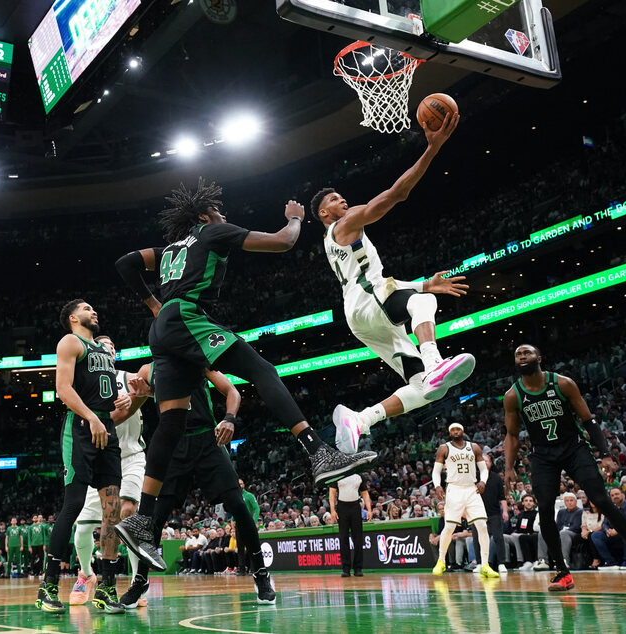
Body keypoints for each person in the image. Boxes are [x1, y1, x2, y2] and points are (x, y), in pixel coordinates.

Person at [113, 181, 376, 571]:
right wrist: (294, 218)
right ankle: (316, 450)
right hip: (186, 316)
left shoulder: (169, 249)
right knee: (261, 370)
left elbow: (125, 264)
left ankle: (141, 520)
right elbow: (283, 242)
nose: (224, 217)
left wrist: (154, 303)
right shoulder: (212, 231)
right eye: (218, 212)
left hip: (164, 328)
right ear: (204, 217)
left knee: (171, 419)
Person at [311, 117, 475, 455]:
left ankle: (361, 419)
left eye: (343, 197)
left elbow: (376, 281)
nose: (343, 201)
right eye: (335, 200)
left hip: (361, 316)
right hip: (369, 304)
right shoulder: (344, 224)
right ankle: (434, 361)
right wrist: (432, 148)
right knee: (422, 304)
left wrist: (423, 283)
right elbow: (397, 194)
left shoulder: (338, 241)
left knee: (429, 390)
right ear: (325, 214)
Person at [504, 344, 626, 591]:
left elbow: (588, 420)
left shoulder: (563, 383)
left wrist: (606, 454)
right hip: (543, 455)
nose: (522, 356)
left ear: (539, 358)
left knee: (602, 500)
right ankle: (561, 572)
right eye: (518, 354)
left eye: (527, 353)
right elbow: (512, 436)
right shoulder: (513, 396)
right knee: (544, 508)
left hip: (574, 448)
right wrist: (509, 467)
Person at [117, 362, 276, 606]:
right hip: (173, 443)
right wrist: (140, 395)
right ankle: (141, 579)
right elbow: (142, 402)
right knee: (155, 517)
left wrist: (230, 419)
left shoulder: (195, 358)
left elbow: (232, 391)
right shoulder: (147, 371)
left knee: (238, 504)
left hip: (206, 439)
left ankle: (261, 573)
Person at [34, 300, 128, 614]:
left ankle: (107, 587)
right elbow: (63, 389)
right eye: (87, 308)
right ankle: (47, 586)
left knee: (112, 510)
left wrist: (128, 399)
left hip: (107, 426)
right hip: (81, 428)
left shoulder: (104, 350)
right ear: (74, 317)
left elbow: (110, 397)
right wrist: (92, 417)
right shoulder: (70, 342)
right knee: (73, 505)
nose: (95, 310)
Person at [69, 335, 147, 609]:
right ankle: (87, 575)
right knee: (81, 529)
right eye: (103, 345)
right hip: (101, 459)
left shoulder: (131, 377)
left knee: (128, 512)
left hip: (131, 457)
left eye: (113, 345)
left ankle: (138, 581)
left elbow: (152, 389)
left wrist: (141, 394)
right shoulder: (87, 385)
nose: (109, 348)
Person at [430, 422, 499, 578]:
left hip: (471, 488)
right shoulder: (444, 448)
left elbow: (483, 469)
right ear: (449, 433)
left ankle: (485, 564)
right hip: (454, 488)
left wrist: (483, 481)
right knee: (449, 526)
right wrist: (437, 485)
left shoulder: (474, 447)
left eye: (458, 429)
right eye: (452, 429)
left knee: (481, 525)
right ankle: (441, 560)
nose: (455, 431)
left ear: (463, 430)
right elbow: (436, 471)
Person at [591, 488, 626, 570]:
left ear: (623, 495)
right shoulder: (611, 509)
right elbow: (604, 524)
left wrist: (618, 530)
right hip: (617, 535)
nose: (615, 496)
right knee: (596, 535)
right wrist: (608, 530)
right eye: (612, 495)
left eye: (617, 494)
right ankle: (610, 562)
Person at [329, 473, 372, 577]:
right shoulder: (337, 474)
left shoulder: (359, 475)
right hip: (342, 507)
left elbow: (365, 494)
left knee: (358, 538)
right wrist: (332, 510)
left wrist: (369, 510)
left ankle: (358, 568)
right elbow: (332, 493)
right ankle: (346, 568)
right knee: (343, 538)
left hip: (355, 506)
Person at [534, 492, 583, 570]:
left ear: (576, 502)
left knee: (563, 533)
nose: (569, 503)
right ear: (564, 502)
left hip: (573, 533)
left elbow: (576, 527)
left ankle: (564, 561)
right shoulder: (561, 511)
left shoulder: (580, 511)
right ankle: (543, 561)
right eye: (567, 501)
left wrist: (560, 532)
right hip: (561, 532)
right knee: (543, 532)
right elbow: (558, 526)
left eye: (571, 500)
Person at [480, 454, 509, 572]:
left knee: (498, 537)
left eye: (487, 461)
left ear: (491, 463)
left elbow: (502, 497)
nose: (485, 462)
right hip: (478, 514)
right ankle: (480, 563)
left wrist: (505, 511)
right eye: (482, 460)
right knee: (479, 539)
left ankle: (502, 563)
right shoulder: (474, 477)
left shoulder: (496, 478)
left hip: (494, 513)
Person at [238, 479, 260, 575]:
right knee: (240, 548)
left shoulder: (249, 496)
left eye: (241, 483)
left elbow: (257, 508)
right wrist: (233, 520)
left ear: (244, 485)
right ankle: (242, 569)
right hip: (239, 524)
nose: (240, 485)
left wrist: (254, 521)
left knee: (250, 547)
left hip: (248, 524)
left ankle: (253, 568)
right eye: (238, 484)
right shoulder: (235, 496)